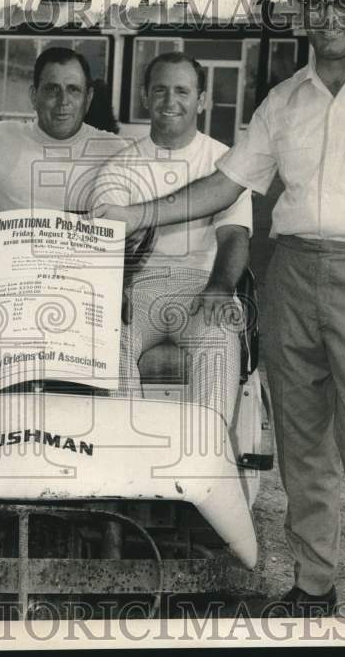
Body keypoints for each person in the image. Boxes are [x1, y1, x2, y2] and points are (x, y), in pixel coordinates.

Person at [93, 0, 345, 618]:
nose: (329, 15)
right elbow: (222, 186)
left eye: (344, 1)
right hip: (292, 274)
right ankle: (313, 587)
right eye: (317, 1)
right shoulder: (284, 100)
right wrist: (138, 214)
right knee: (302, 444)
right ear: (302, 9)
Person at [0, 47, 127, 389]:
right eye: (51, 89)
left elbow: (145, 223)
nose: (63, 101)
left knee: (80, 363)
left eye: (74, 90)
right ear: (34, 95)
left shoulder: (115, 152)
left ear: (89, 96)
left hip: (80, 297)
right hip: (4, 292)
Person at [95, 52, 252, 423]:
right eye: (160, 90)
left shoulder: (224, 162)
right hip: (137, 288)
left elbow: (234, 237)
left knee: (218, 332)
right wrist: (111, 287)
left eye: (182, 91)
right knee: (106, 337)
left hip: (199, 285)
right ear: (145, 97)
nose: (170, 101)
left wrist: (220, 286)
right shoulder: (120, 166)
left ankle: (205, 461)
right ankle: (125, 460)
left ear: (201, 100)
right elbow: (105, 240)